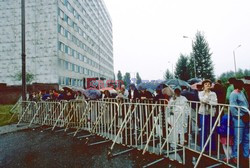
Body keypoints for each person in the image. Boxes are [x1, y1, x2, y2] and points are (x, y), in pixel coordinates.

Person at [229, 79, 249, 165]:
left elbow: (245, 104)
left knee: (247, 138)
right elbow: (233, 107)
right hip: (239, 119)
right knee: (239, 138)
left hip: (246, 117)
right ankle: (235, 156)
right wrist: (240, 115)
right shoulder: (233, 94)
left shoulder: (241, 92)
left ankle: (246, 155)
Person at [198, 79, 218, 152]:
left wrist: (208, 102)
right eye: (206, 84)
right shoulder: (200, 93)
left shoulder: (213, 93)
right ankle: (203, 148)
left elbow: (215, 103)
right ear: (203, 86)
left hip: (211, 113)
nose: (208, 85)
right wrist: (206, 94)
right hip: (203, 113)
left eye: (209, 84)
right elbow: (203, 100)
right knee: (203, 130)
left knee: (211, 130)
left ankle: (212, 148)